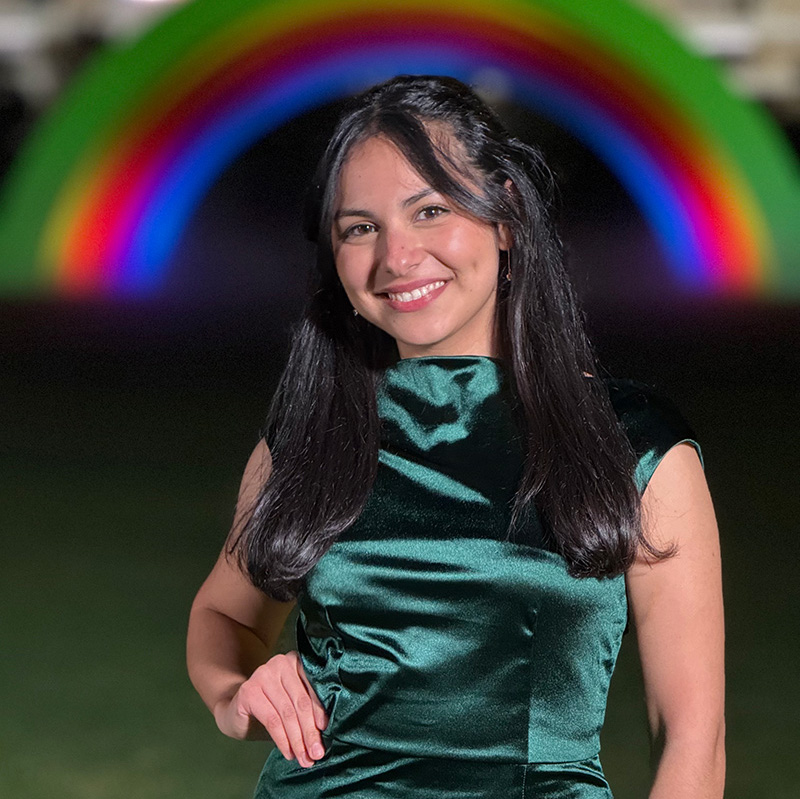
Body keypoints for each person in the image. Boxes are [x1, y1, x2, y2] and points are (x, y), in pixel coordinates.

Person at [186, 75, 725, 798]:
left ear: (504, 216)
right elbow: (224, 613)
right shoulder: (310, 437)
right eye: (360, 227)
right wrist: (236, 691)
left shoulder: (635, 445)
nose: (397, 256)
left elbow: (694, 734)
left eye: (430, 210)